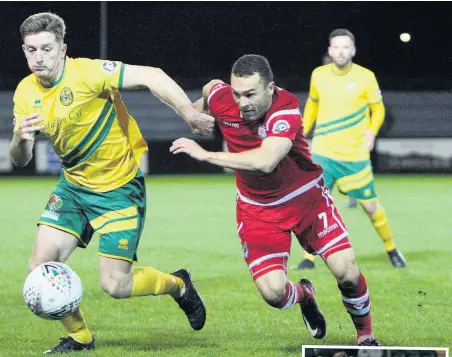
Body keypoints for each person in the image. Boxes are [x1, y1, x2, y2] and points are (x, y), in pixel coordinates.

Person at [10, 12, 213, 354]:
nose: (38, 58)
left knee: (115, 285)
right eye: (31, 50)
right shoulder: (25, 92)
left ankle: (179, 285)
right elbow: (20, 160)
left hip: (118, 189)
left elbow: (152, 76)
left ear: (63, 49)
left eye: (46, 49)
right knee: (39, 267)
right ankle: (80, 338)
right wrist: (22, 137)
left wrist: (189, 114)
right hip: (73, 189)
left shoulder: (87, 73)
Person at [171, 54, 380, 346]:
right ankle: (306, 295)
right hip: (257, 209)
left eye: (251, 94)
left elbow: (266, 161)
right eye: (237, 93)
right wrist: (196, 113)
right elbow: (210, 88)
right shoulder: (223, 98)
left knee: (345, 269)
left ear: (270, 89)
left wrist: (205, 154)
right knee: (273, 294)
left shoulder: (286, 111)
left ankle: (366, 338)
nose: (242, 102)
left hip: (305, 200)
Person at [295, 29, 406, 270]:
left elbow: (378, 109)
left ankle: (391, 248)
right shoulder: (319, 75)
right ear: (330, 50)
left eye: (346, 47)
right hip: (324, 150)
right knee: (313, 204)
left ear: (353, 50)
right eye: (336, 47)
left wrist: (371, 132)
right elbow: (313, 104)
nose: (341, 51)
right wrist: (303, 132)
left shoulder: (366, 77)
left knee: (370, 206)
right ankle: (309, 258)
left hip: (354, 154)